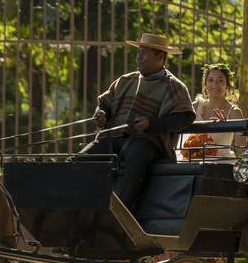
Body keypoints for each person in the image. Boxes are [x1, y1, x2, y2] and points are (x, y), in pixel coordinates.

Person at [82, 32, 196, 210]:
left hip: (148, 142)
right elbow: (104, 103)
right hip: (115, 138)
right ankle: (74, 202)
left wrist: (151, 124)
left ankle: (120, 210)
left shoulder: (174, 86)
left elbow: (184, 118)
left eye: (144, 53)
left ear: (160, 57)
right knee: (86, 157)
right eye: (138, 52)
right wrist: (102, 114)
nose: (139, 57)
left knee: (135, 155)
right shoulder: (125, 80)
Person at [182, 63, 248, 159]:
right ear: (205, 84)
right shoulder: (195, 106)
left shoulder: (234, 112)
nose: (215, 84)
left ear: (227, 85)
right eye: (210, 80)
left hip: (221, 163)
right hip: (193, 163)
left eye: (220, 80)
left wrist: (227, 126)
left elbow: (242, 147)